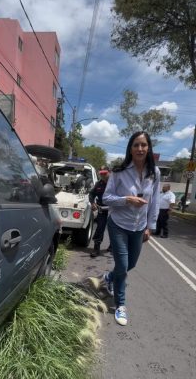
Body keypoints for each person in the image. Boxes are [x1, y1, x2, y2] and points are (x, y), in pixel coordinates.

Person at [101, 131, 160, 326]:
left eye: (144, 145)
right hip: (118, 224)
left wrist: (150, 226)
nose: (140, 149)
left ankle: (109, 277)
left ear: (149, 148)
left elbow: (154, 202)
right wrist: (127, 200)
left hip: (139, 227)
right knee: (123, 267)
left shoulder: (155, 173)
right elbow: (106, 199)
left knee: (130, 265)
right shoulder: (119, 171)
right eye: (136, 145)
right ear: (130, 148)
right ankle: (120, 305)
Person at [88, 168, 110, 257]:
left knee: (114, 229)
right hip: (102, 210)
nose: (103, 175)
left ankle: (112, 247)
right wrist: (92, 203)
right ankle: (96, 249)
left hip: (114, 211)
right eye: (101, 174)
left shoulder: (115, 183)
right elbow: (91, 194)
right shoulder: (98, 184)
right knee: (100, 229)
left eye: (105, 173)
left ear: (109, 173)